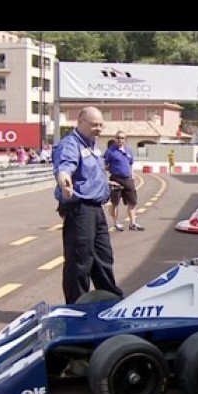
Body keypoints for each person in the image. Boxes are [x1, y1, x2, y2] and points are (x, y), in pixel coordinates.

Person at [52, 106, 124, 305]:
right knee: (80, 260)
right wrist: (64, 179)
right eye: (94, 125)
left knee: (103, 257)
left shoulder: (93, 146)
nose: (98, 129)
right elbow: (65, 166)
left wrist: (104, 184)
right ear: (80, 122)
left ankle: (110, 300)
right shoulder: (70, 145)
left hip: (95, 209)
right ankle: (75, 305)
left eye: (101, 125)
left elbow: (88, 174)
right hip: (79, 208)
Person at [104, 130, 143, 231]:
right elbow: (104, 165)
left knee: (133, 202)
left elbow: (130, 164)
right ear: (115, 139)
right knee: (115, 202)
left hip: (128, 179)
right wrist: (111, 170)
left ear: (125, 140)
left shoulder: (128, 150)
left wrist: (132, 175)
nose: (120, 140)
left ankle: (132, 223)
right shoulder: (110, 151)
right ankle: (116, 223)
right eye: (118, 138)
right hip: (116, 179)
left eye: (122, 138)